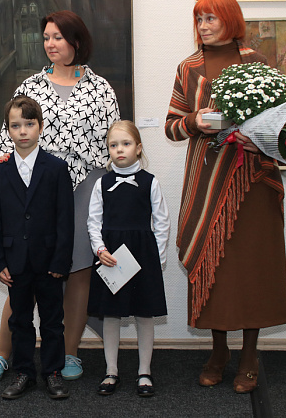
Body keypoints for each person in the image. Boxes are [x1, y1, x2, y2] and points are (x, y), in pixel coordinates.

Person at [0, 10, 120, 383]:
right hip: (37, 188)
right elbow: (8, 140)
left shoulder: (101, 88)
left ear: (76, 40)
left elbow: (114, 141)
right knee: (24, 271)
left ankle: (69, 352)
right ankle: (2, 353)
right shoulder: (30, 86)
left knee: (78, 272)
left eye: (57, 37)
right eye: (46, 37)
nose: (50, 44)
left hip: (86, 187)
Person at [164, 0, 286, 394]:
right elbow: (170, 126)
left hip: (252, 184)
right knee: (212, 264)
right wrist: (194, 122)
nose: (203, 26)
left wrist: (261, 140)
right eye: (199, 19)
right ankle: (218, 353)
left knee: (253, 268)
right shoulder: (188, 68)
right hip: (207, 182)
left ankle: (249, 355)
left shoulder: (257, 63)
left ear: (230, 20)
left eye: (210, 19)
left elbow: (285, 128)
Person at [0, 96, 75, 400]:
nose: (23, 131)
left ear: (40, 126)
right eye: (16, 125)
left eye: (29, 124)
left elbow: (65, 219)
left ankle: (53, 373)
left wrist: (61, 261)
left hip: (49, 262)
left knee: (52, 321)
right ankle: (24, 372)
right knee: (20, 321)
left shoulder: (57, 168)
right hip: (15, 262)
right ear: (8, 130)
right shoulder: (0, 171)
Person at [87, 121, 170, 397]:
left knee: (144, 314)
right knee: (111, 315)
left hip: (143, 255)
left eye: (126, 144)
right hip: (112, 257)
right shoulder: (102, 183)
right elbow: (93, 221)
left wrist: (157, 260)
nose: (119, 150)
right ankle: (111, 371)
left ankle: (144, 371)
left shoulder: (150, 182)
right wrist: (100, 250)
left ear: (138, 147)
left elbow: (162, 222)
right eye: (113, 145)